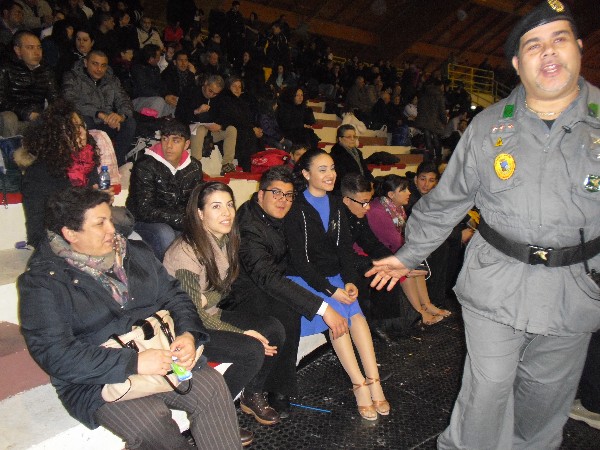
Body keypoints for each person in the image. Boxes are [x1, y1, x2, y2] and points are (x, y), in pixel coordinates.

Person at [367, 2, 600, 448]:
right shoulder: (489, 127)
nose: (548, 52)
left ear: (579, 47)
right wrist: (407, 254)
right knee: (487, 390)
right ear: (517, 64)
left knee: (543, 403)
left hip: (575, 288)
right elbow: (446, 200)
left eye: (559, 39)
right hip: (497, 281)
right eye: (533, 45)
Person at [18, 186, 242, 449]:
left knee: (211, 386)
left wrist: (188, 334)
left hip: (157, 350)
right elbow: (55, 354)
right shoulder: (44, 282)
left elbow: (176, 296)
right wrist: (133, 362)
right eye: (100, 223)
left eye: (110, 219)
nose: (112, 230)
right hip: (97, 378)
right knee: (151, 420)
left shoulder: (135, 252)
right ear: (70, 234)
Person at [220, 165, 348, 418]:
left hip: (265, 281)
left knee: (294, 303)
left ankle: (279, 387)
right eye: (276, 193)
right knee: (284, 313)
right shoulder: (249, 226)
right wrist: (323, 308)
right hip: (238, 294)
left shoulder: (279, 215)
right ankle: (256, 390)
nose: (283, 200)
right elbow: (267, 277)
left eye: (288, 195)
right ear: (260, 195)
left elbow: (299, 256)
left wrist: (327, 284)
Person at [163, 182, 284, 427]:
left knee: (273, 328)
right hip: (185, 329)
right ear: (200, 213)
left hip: (209, 314)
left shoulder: (226, 241)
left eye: (229, 205)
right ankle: (215, 416)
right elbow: (192, 314)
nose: (227, 213)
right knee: (252, 349)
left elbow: (220, 293)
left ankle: (251, 395)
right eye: (216, 207)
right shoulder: (185, 252)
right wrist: (241, 333)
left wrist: (207, 298)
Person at [285, 149, 389, 420]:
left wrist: (350, 281)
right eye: (322, 170)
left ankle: (374, 380)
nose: (330, 174)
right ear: (306, 174)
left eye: (332, 168)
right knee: (341, 318)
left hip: (334, 278)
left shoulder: (336, 204)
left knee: (358, 316)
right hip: (306, 278)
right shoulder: (296, 207)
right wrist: (331, 290)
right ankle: (359, 385)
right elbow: (300, 261)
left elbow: (344, 250)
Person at [15, 98, 104, 248]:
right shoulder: (39, 172)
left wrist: (102, 199)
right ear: (56, 134)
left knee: (122, 222)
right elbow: (37, 230)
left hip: (86, 229)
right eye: (72, 128)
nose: (82, 132)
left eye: (81, 126)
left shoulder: (87, 161)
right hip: (58, 238)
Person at [367, 174, 450, 325]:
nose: (409, 192)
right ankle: (419, 311)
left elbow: (403, 238)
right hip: (377, 252)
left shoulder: (396, 208)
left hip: (391, 250)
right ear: (391, 194)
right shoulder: (378, 211)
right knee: (408, 266)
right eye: (403, 190)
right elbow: (394, 241)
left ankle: (426, 304)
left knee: (415, 261)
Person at [126, 120, 203, 260]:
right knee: (165, 233)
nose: (169, 146)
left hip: (177, 219)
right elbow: (144, 209)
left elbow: (196, 201)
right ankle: (165, 273)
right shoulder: (145, 165)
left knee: (201, 232)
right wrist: (181, 220)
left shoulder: (194, 167)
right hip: (143, 220)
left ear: (186, 144)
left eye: (176, 141)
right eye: (165, 139)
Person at [62, 49, 136, 165]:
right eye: (95, 64)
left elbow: (124, 100)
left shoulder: (111, 80)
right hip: (86, 119)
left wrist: (120, 117)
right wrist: (98, 114)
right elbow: (70, 101)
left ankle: (117, 162)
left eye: (103, 65)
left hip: (107, 122)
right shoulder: (73, 77)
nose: (99, 69)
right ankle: (88, 162)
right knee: (84, 121)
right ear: (86, 63)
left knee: (129, 123)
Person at [174, 74, 238, 176]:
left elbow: (229, 116)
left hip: (210, 131)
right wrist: (196, 111)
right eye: (210, 91)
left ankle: (227, 164)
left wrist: (220, 126)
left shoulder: (219, 97)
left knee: (231, 130)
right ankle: (195, 165)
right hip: (191, 129)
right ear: (205, 83)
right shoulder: (190, 92)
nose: (211, 95)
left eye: (215, 93)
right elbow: (179, 115)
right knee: (200, 129)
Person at [0, 30, 58, 136]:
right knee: (8, 118)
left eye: (39, 47)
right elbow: (1, 101)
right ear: (18, 50)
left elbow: (55, 97)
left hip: (37, 115)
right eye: (30, 48)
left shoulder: (45, 70)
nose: (37, 52)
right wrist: (26, 113)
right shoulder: (5, 68)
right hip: (13, 116)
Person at [329, 124, 373, 191]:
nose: (352, 139)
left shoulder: (358, 153)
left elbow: (365, 171)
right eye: (349, 137)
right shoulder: (336, 154)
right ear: (340, 139)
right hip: (347, 189)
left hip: (360, 185)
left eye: (354, 136)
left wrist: (371, 182)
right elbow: (343, 178)